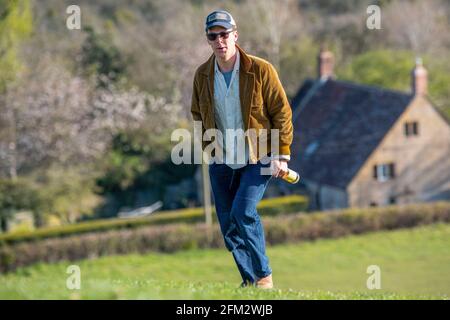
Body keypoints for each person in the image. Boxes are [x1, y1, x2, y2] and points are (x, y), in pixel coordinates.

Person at [191, 10, 293, 289]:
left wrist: (281, 154)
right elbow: (197, 114)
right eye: (214, 36)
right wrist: (210, 148)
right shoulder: (202, 75)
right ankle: (249, 279)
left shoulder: (261, 70)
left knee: (243, 211)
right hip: (222, 158)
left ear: (235, 35)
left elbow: (282, 113)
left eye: (224, 34)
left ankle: (263, 277)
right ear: (208, 40)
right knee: (227, 224)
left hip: (259, 155)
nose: (220, 41)